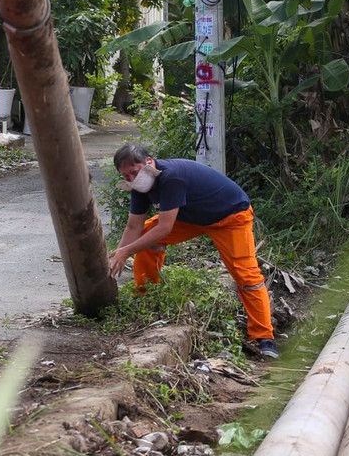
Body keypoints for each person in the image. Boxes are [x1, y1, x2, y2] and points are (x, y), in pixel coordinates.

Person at [107, 142, 279, 359]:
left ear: (149, 162)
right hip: (191, 218)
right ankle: (146, 299)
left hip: (231, 217)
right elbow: (134, 227)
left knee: (247, 275)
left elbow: (164, 228)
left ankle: (264, 337)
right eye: (126, 176)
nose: (132, 179)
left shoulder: (171, 177)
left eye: (134, 172)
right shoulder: (141, 187)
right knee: (144, 237)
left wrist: (125, 251)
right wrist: (118, 254)